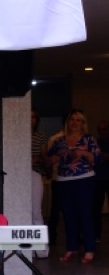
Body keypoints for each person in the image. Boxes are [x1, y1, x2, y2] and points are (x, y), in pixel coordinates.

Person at [46, 109, 101, 264]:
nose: (75, 123)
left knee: (84, 213)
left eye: (78, 120)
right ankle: (71, 247)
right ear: (67, 122)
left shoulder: (88, 139)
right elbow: (48, 160)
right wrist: (52, 159)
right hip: (63, 180)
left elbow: (97, 158)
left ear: (83, 123)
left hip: (84, 178)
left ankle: (89, 249)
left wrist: (83, 154)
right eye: (72, 119)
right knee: (68, 214)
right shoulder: (59, 140)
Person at [30, 110, 49, 258]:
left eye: (34, 117)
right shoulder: (17, 134)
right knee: (21, 211)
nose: (31, 120)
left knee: (36, 211)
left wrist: (36, 159)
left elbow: (45, 157)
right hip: (18, 176)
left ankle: (41, 248)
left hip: (35, 173)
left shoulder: (40, 136)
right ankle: (27, 248)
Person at [92, 118, 109, 243]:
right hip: (98, 179)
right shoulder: (96, 143)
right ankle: (96, 235)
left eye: (105, 129)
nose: (102, 132)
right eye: (100, 130)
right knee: (96, 208)